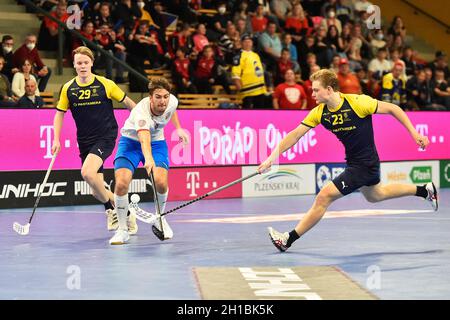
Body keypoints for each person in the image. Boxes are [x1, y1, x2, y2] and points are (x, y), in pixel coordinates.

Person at [258, 69, 438, 252]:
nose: (312, 94)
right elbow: (295, 135)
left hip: (364, 164)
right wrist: (272, 158)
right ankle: (425, 190)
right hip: (358, 162)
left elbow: (393, 108)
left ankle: (287, 240)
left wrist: (414, 133)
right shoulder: (319, 113)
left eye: (316, 90)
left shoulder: (358, 102)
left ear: (329, 89)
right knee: (376, 195)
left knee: (323, 197)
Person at [51, 46, 136, 232]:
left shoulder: (105, 84)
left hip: (105, 135)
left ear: (91, 63)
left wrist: (141, 120)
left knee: (87, 173)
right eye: (79, 63)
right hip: (85, 140)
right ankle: (126, 210)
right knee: (95, 190)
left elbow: (128, 103)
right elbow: (59, 114)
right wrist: (56, 139)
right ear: (74, 65)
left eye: (86, 62)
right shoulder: (68, 89)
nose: (82, 66)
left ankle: (111, 212)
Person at [109, 78, 189, 245]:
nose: (163, 101)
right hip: (131, 143)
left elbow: (172, 110)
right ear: (151, 98)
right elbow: (144, 137)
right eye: (158, 97)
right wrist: (148, 158)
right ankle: (123, 230)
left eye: (165, 96)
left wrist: (179, 128)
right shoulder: (141, 111)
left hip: (158, 143)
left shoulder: (172, 101)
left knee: (161, 182)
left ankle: (160, 217)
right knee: (122, 183)